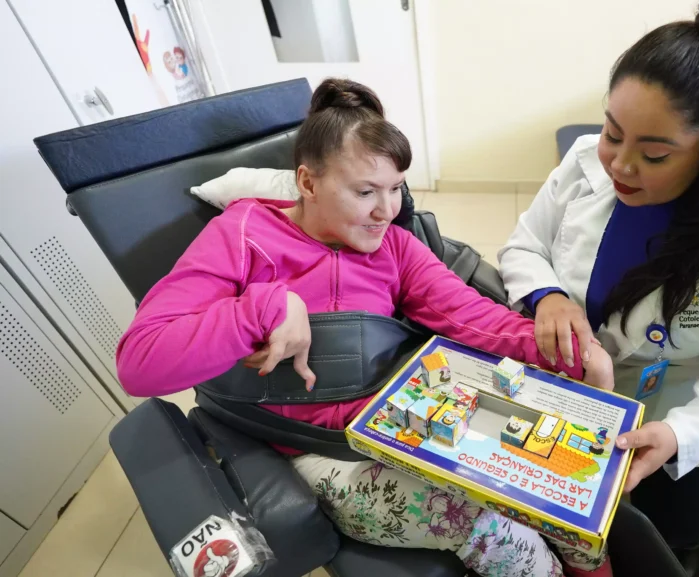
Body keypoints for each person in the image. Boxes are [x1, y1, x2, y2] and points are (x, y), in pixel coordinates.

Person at [116, 78, 615, 577]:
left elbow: (470, 315)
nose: (386, 210)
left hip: (403, 423)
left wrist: (569, 351)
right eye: (365, 192)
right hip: (321, 452)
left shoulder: (393, 246)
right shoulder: (245, 235)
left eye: (396, 188)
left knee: (568, 507)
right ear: (308, 183)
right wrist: (266, 307)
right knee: (493, 526)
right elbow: (140, 362)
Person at [497, 1, 699, 575]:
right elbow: (524, 248)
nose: (619, 165)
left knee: (664, 542)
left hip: (684, 422)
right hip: (573, 398)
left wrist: (677, 434)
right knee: (567, 533)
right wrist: (547, 295)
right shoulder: (581, 164)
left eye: (654, 154)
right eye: (611, 132)